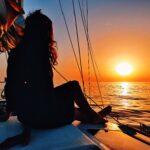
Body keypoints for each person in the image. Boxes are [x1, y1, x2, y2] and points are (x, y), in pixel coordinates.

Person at [0, 10, 111, 149]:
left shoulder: (16, 53)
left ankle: (91, 115)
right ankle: (92, 116)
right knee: (73, 87)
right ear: (43, 32)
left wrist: (8, 114)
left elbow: (11, 87)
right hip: (42, 118)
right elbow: (46, 94)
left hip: (27, 118)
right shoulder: (41, 56)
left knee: (72, 110)